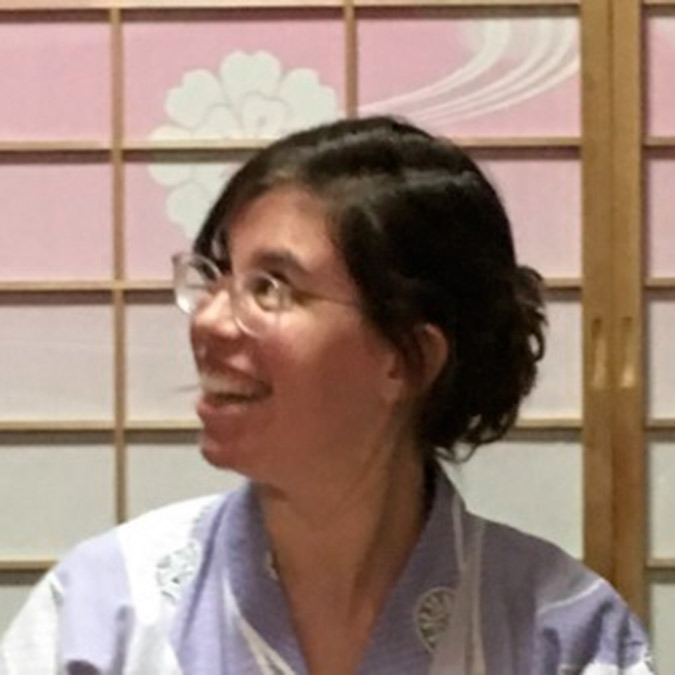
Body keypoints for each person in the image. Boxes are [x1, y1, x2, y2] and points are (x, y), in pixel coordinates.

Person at [1, 116, 652, 674]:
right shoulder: (101, 613)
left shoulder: (561, 636)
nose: (209, 321)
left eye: (271, 287)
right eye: (217, 276)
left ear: (408, 358)